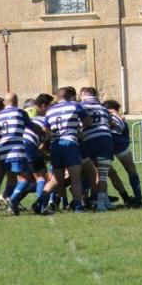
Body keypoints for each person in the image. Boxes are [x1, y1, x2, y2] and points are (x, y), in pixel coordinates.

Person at [36, 86, 92, 214]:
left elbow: (45, 129)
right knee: (75, 176)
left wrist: (54, 133)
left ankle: (40, 201)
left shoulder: (50, 111)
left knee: (56, 179)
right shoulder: (74, 106)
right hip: (70, 143)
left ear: (58, 97)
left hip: (55, 145)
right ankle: (78, 206)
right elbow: (88, 122)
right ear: (69, 96)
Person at [0, 92, 44, 215]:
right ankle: (13, 200)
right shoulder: (20, 113)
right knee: (25, 179)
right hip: (16, 149)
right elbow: (32, 126)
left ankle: (13, 207)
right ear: (16, 102)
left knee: (12, 179)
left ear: (4, 102)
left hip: (2, 151)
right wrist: (43, 132)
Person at [80, 87, 115, 212]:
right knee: (103, 174)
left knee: (93, 172)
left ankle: (101, 202)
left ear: (83, 95)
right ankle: (103, 202)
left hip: (89, 140)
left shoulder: (81, 106)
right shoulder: (103, 108)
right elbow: (112, 123)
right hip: (105, 139)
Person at [104, 99, 142, 207]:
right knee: (131, 170)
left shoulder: (101, 114)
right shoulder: (119, 118)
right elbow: (124, 136)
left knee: (109, 173)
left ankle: (125, 197)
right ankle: (138, 198)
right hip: (118, 141)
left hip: (103, 141)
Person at [23, 94, 53, 212]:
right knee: (41, 178)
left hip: (23, 146)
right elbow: (45, 133)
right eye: (50, 106)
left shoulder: (35, 117)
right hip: (30, 146)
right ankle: (41, 206)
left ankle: (12, 199)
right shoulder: (38, 115)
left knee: (29, 179)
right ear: (44, 106)